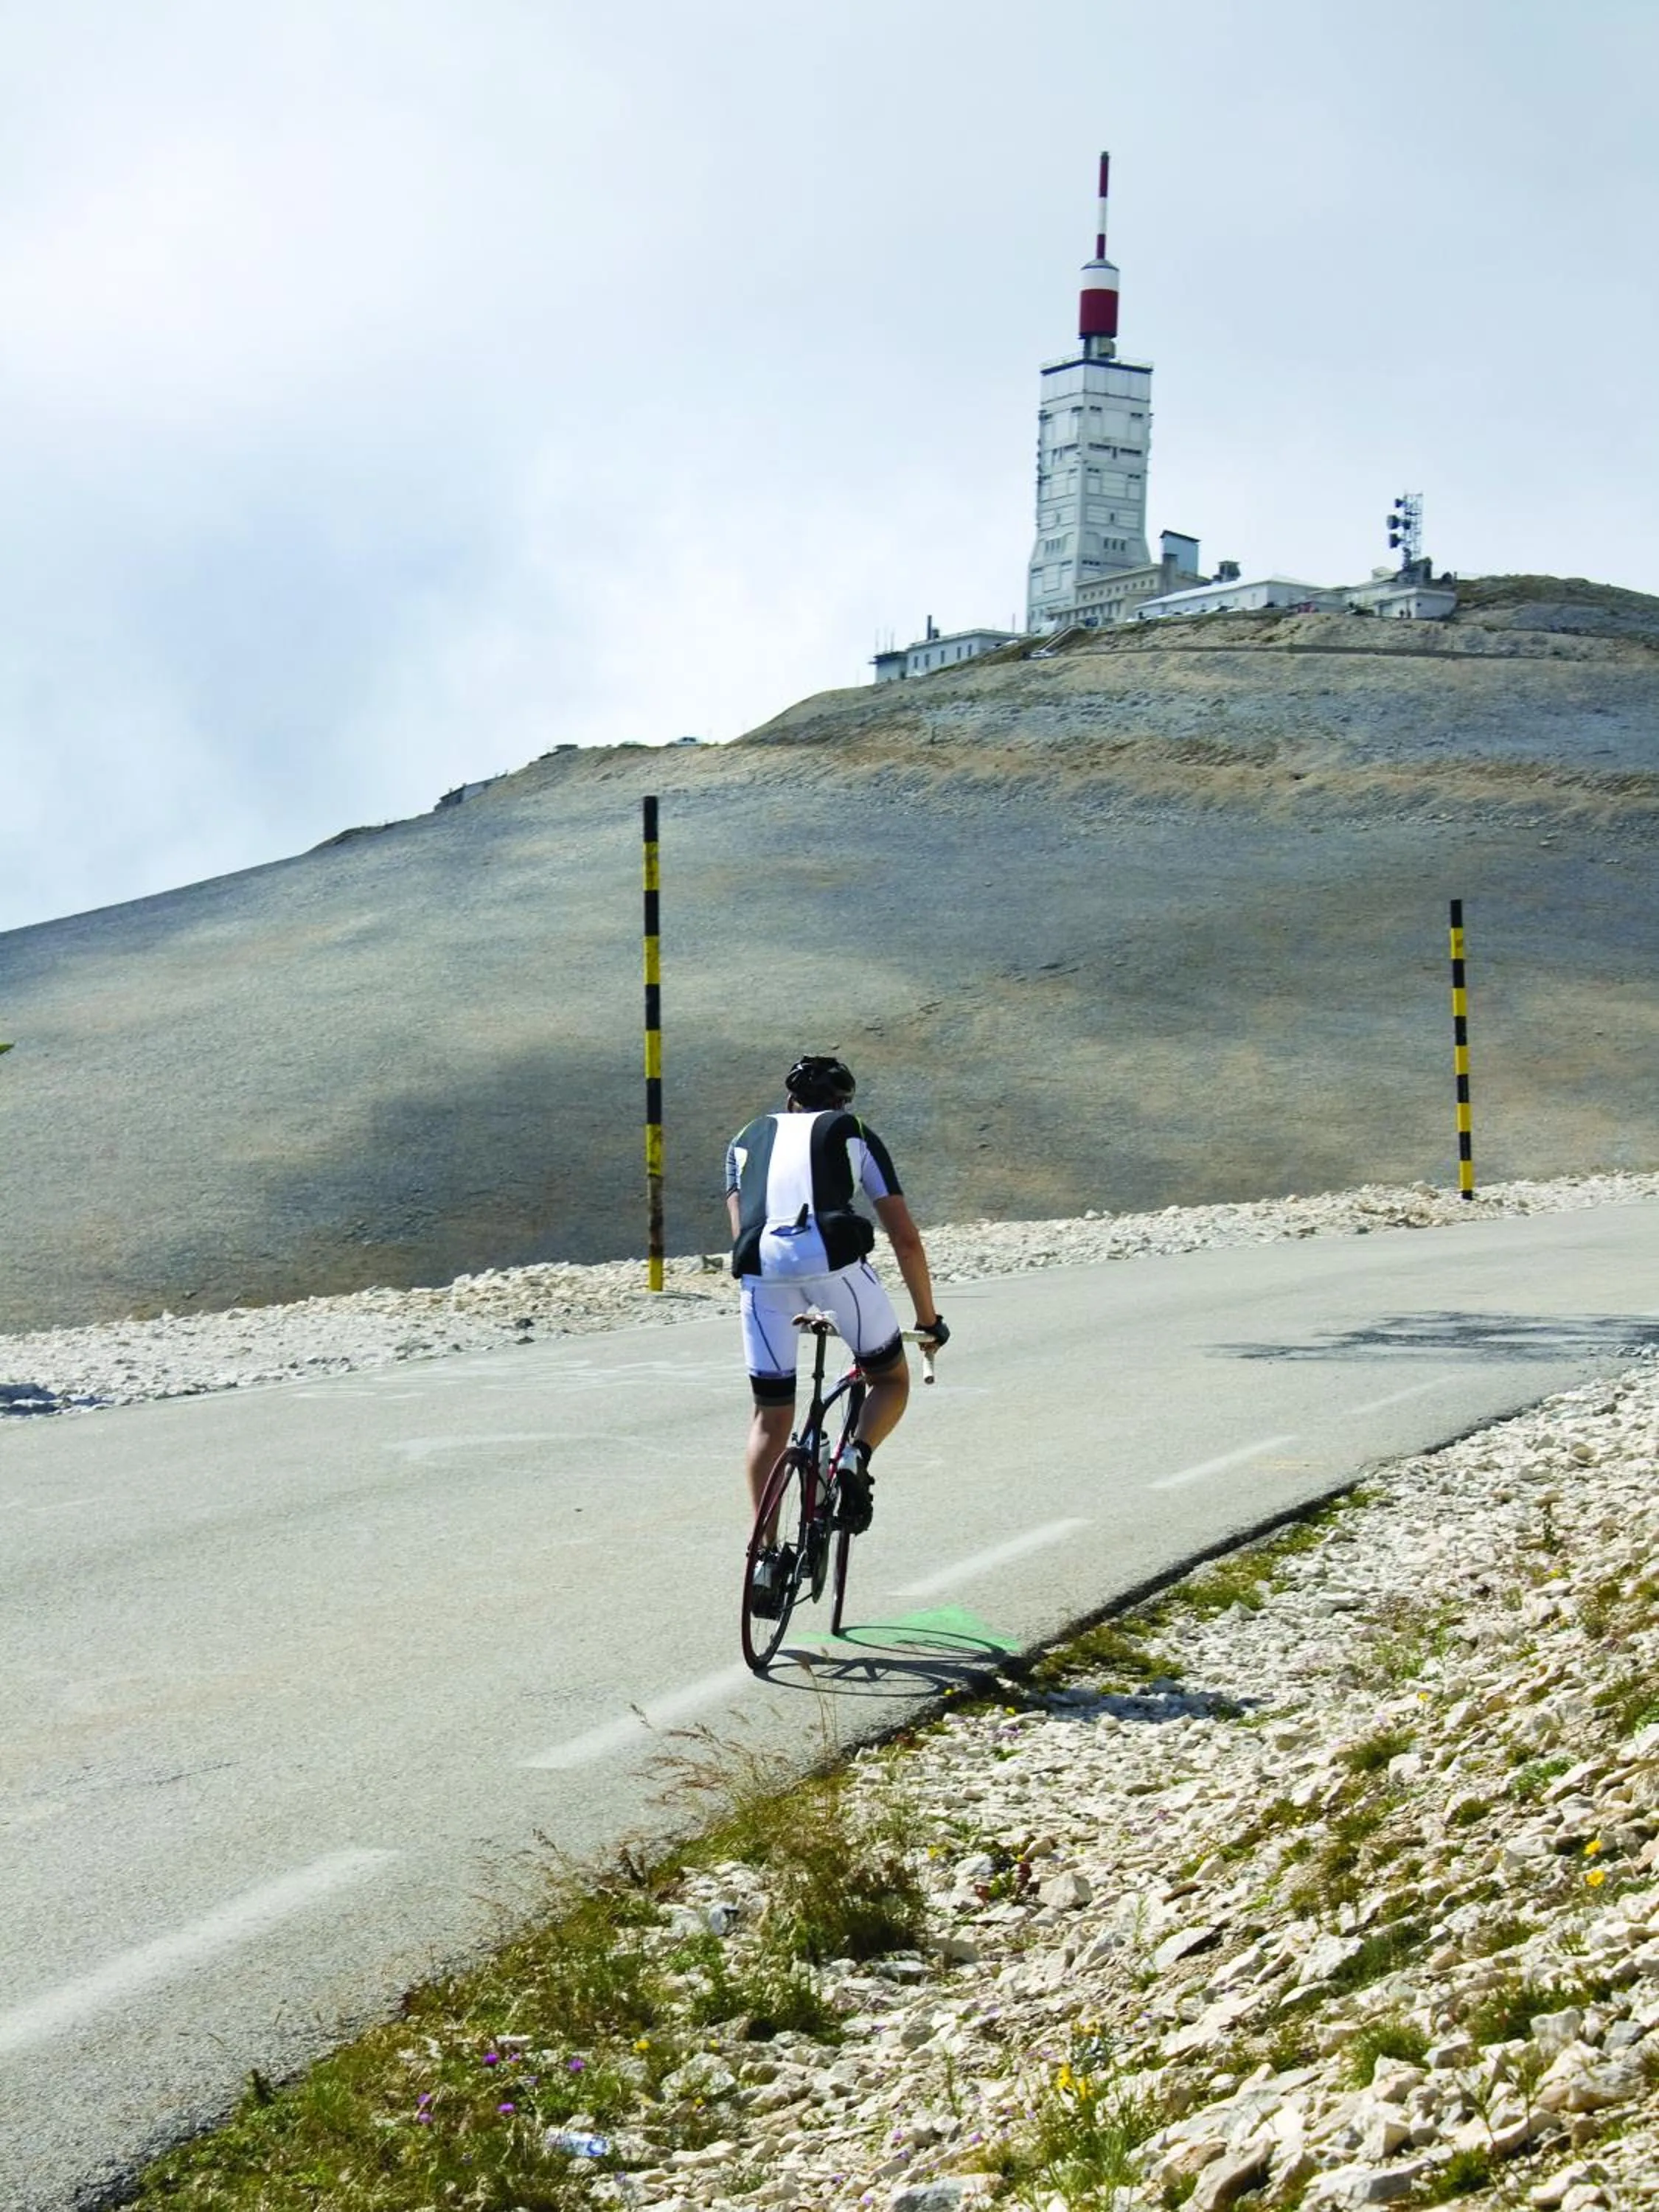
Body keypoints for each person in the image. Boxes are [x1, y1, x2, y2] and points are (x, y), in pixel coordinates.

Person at [725, 1055, 948, 1608]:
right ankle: (854, 1457)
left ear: (789, 1101)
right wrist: (928, 1320)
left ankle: (765, 1557)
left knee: (770, 1417)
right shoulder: (854, 1132)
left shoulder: (743, 1141)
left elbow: (744, 1228)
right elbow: (905, 1238)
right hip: (835, 1265)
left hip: (760, 1272)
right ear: (843, 1103)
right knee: (889, 1379)